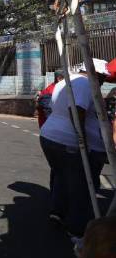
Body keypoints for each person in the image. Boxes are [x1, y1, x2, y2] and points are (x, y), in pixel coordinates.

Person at [40, 59, 111, 238]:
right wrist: (83, 142)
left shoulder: (65, 81)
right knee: (82, 187)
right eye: (102, 77)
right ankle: (77, 228)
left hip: (52, 137)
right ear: (94, 73)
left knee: (62, 178)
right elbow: (76, 110)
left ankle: (58, 213)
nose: (102, 82)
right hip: (68, 142)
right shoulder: (84, 83)